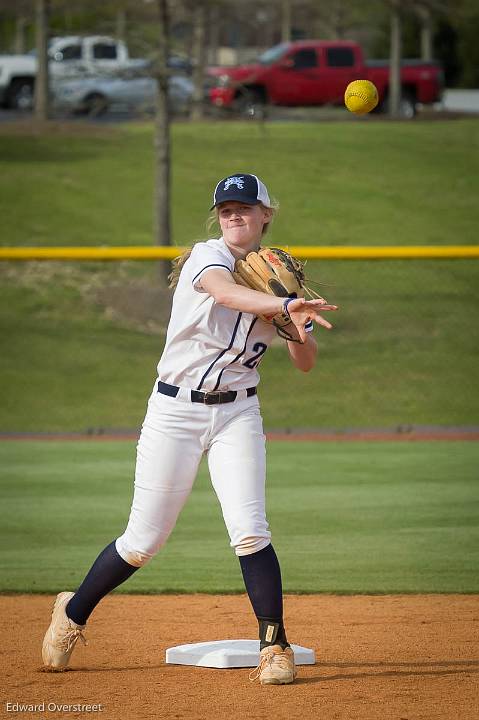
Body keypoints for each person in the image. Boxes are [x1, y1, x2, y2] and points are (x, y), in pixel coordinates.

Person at [42, 172, 337, 685]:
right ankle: (72, 613)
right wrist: (281, 305)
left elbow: (306, 362)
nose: (234, 215)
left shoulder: (277, 280)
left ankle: (275, 647)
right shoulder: (207, 257)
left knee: (250, 530)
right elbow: (224, 293)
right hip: (174, 412)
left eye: (245, 207)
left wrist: (295, 322)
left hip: (238, 413)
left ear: (267, 214)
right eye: (226, 209)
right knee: (142, 542)